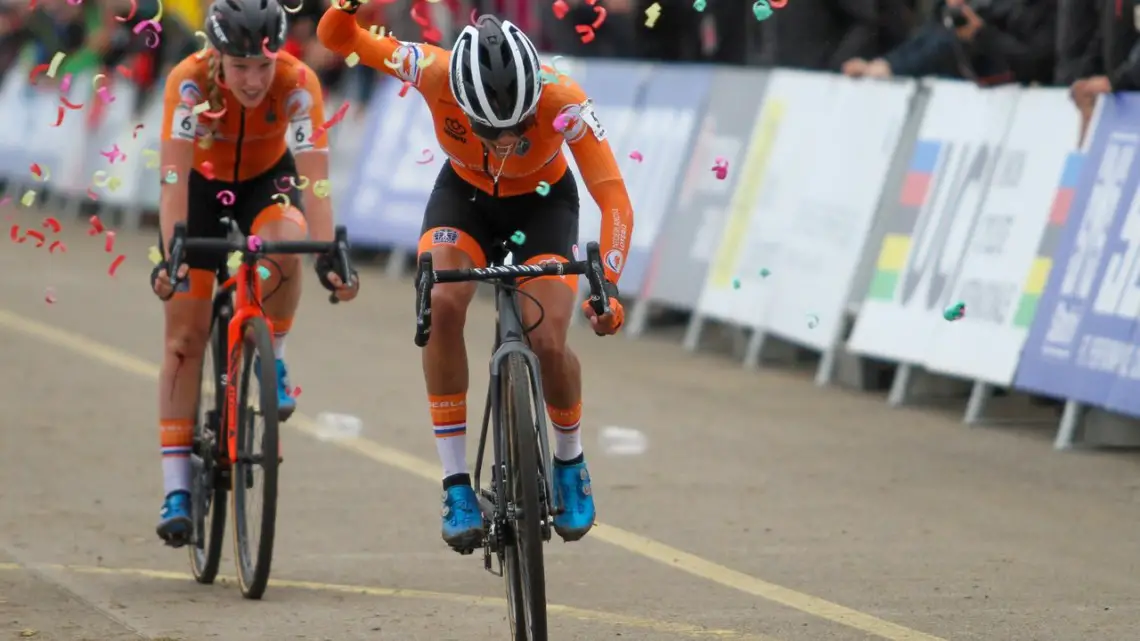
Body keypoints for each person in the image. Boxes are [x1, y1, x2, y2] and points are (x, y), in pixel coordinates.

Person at [317, 1, 632, 552]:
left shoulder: (565, 99)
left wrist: (606, 283)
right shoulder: (428, 68)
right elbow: (336, 33)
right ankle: (455, 482)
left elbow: (614, 198)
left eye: (517, 127)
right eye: (490, 129)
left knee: (547, 336)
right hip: (461, 198)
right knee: (443, 303)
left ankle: (570, 461)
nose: (505, 142)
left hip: (541, 204)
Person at [151, 0, 360, 547]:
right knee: (183, 339)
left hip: (268, 180)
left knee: (287, 242)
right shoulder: (189, 83)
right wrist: (173, 249)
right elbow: (172, 178)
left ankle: (277, 361)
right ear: (217, 56)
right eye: (240, 66)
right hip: (199, 189)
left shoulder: (297, 83)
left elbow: (315, 179)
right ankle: (176, 487)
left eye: (262, 66)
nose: (252, 79)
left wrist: (328, 251)